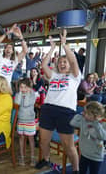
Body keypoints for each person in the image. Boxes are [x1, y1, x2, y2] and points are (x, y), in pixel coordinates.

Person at [35, 30, 80, 174]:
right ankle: (47, 160)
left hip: (66, 112)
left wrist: (64, 43)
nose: (62, 64)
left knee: (68, 145)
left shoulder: (75, 76)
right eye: (60, 62)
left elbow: (73, 60)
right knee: (43, 141)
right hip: (48, 109)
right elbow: (43, 64)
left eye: (64, 62)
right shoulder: (54, 75)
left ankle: (75, 169)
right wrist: (53, 47)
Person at [70, 101, 106, 174]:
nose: (84, 114)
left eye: (87, 113)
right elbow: (72, 123)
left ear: (95, 116)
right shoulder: (84, 120)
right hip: (84, 153)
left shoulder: (102, 124)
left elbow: (103, 137)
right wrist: (79, 115)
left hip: (96, 156)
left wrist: (96, 124)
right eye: (84, 112)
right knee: (82, 171)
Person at [15, 78, 37, 166]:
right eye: (21, 87)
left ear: (29, 87)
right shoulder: (19, 94)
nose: (23, 89)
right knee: (21, 138)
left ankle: (32, 157)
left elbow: (26, 104)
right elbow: (17, 102)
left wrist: (27, 93)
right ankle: (22, 156)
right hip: (21, 119)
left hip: (30, 120)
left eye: (25, 87)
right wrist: (20, 93)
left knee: (31, 139)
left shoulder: (32, 95)